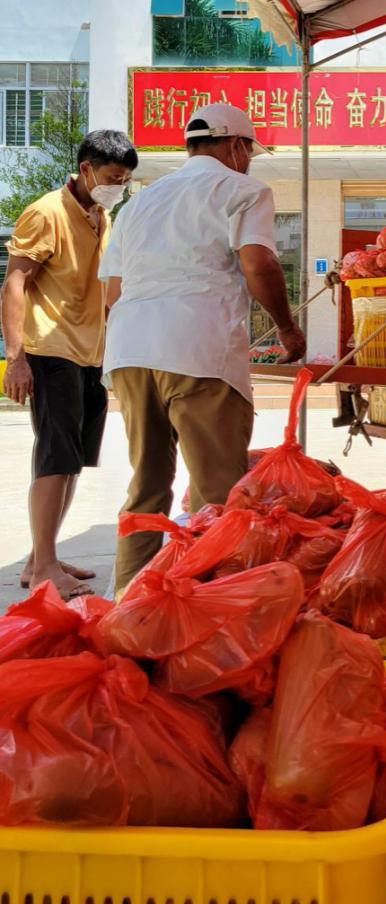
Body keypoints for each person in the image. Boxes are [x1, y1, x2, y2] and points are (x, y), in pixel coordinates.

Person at [99, 102, 306, 593]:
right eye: (249, 151)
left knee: (147, 485)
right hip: (198, 351)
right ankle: (219, 604)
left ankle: (128, 599)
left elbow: (112, 293)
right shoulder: (243, 190)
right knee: (219, 494)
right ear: (235, 145)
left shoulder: (138, 203)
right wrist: (287, 328)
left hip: (130, 352)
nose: (249, 161)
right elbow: (259, 264)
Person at [1, 130, 137, 599]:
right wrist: (15, 359)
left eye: (124, 181)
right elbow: (14, 284)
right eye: (112, 178)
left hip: (89, 355)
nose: (118, 187)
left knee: (73, 462)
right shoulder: (46, 213)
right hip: (50, 350)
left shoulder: (102, 215)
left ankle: (42, 559)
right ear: (85, 169)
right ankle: (42, 569)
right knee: (54, 460)